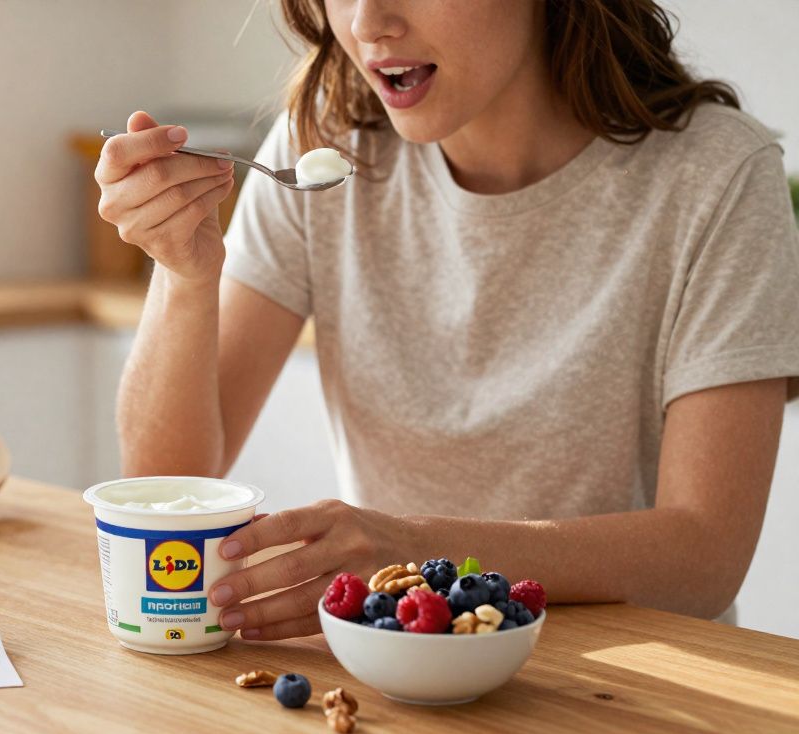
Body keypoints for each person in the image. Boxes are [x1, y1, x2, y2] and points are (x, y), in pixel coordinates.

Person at [94, 0, 799, 639]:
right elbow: (167, 485)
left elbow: (704, 558)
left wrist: (416, 550)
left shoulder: (718, 174)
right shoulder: (324, 146)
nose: (368, 22)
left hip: (636, 679)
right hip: (400, 673)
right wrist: (185, 277)